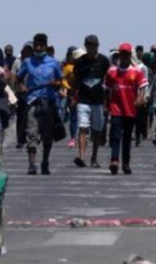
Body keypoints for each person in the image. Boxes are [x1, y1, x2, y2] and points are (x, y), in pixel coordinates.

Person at [18, 33, 62, 175]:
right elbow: (18, 78)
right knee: (32, 134)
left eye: (41, 45)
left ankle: (45, 162)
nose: (38, 48)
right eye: (36, 45)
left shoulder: (53, 63)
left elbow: (60, 81)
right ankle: (32, 164)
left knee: (47, 136)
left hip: (49, 103)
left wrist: (55, 84)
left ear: (45, 46)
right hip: (33, 103)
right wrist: (22, 87)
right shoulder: (27, 62)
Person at [105, 43, 148, 175]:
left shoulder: (136, 71)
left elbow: (143, 87)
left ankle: (126, 163)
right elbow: (107, 89)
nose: (123, 56)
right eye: (121, 54)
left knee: (127, 137)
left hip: (130, 108)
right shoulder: (112, 71)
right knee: (116, 136)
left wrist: (140, 98)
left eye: (126, 54)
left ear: (130, 56)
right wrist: (106, 105)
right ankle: (114, 160)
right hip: (116, 108)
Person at [72, 34, 109, 168]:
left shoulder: (104, 61)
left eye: (93, 45)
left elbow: (108, 80)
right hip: (83, 100)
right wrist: (73, 96)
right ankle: (81, 156)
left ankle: (94, 157)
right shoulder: (79, 61)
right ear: (85, 46)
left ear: (97, 46)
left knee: (97, 130)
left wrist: (107, 102)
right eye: (88, 45)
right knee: (83, 128)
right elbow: (75, 81)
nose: (91, 47)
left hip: (98, 101)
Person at [13, 41, 33, 149]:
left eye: (30, 50)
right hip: (20, 94)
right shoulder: (17, 63)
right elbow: (13, 78)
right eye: (27, 50)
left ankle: (31, 138)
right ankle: (20, 139)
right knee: (20, 118)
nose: (28, 52)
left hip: (33, 94)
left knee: (32, 118)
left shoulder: (35, 63)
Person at [61, 47, 81, 148]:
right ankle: (73, 137)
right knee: (74, 116)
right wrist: (68, 87)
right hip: (72, 94)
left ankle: (82, 135)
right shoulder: (68, 67)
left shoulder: (81, 65)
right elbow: (63, 79)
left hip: (82, 93)